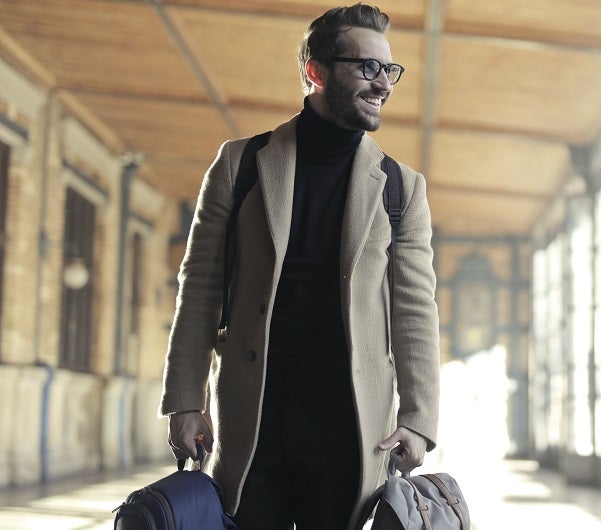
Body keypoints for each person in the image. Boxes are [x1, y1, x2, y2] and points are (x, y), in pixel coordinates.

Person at [158, 4, 440, 529]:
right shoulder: (240, 164)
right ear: (316, 71)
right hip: (253, 420)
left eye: (390, 70)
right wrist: (184, 398)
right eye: (367, 67)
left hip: (352, 429)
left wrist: (419, 420)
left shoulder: (402, 187)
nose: (383, 83)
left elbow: (415, 309)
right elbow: (199, 287)